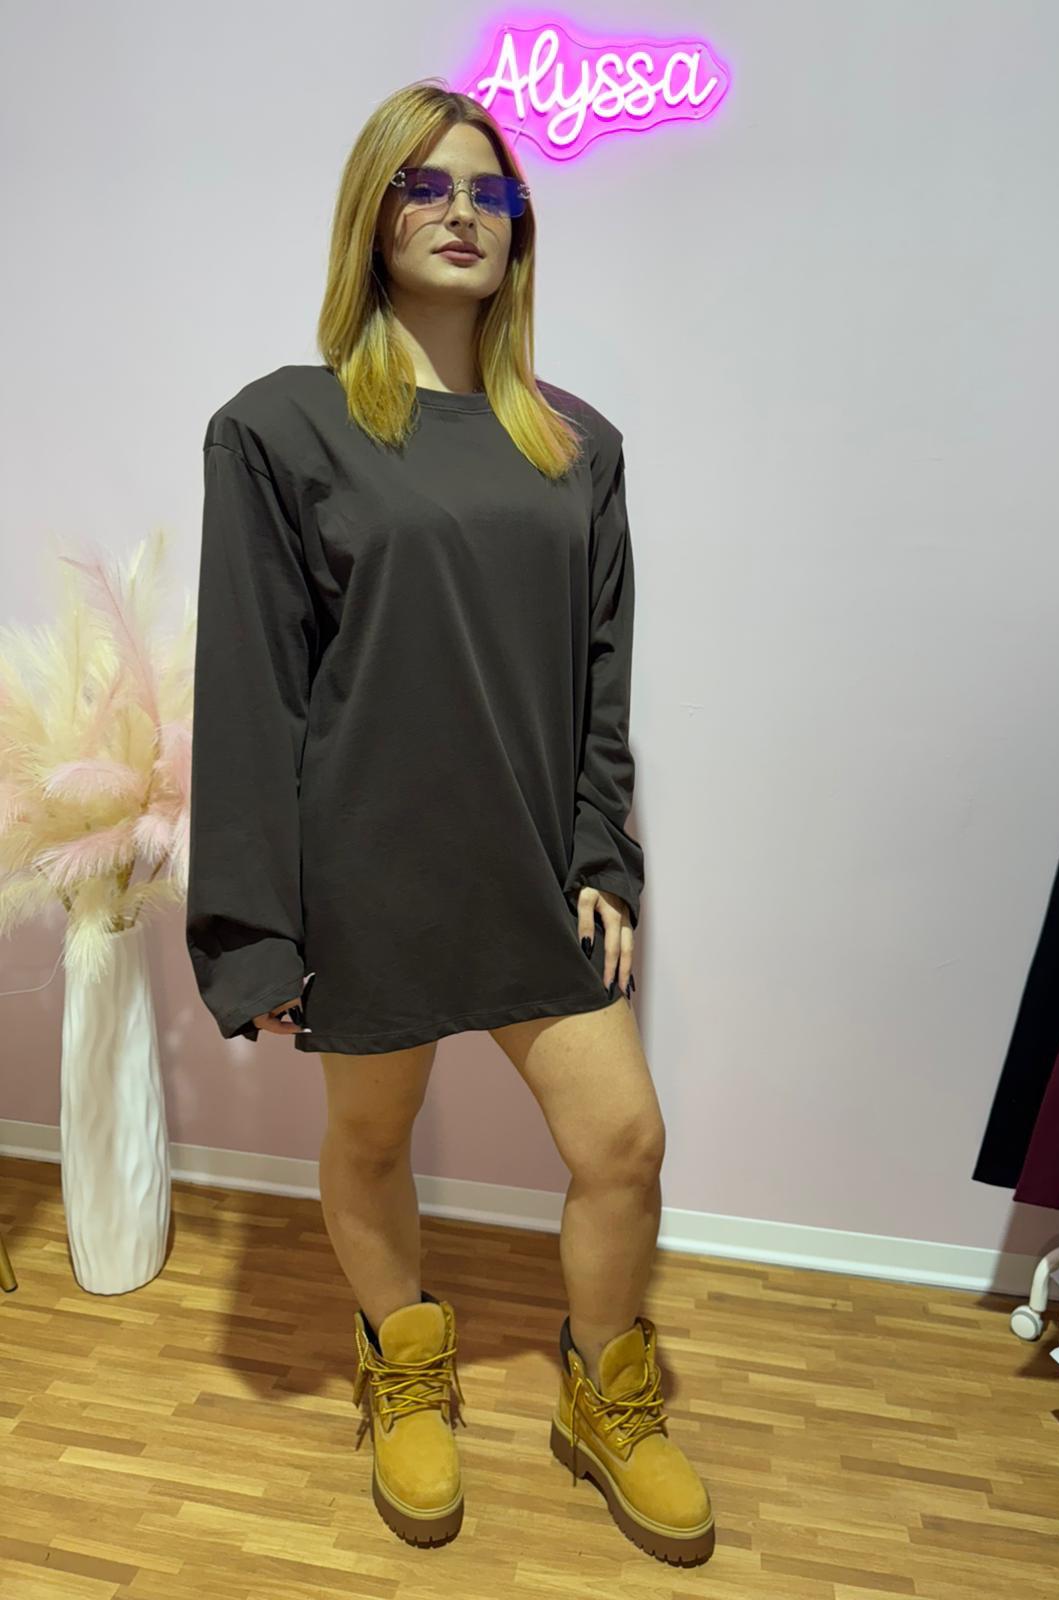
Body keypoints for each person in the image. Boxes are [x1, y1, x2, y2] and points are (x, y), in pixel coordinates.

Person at [184, 80, 715, 1565]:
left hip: (531, 867)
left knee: (623, 1141)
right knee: (370, 1136)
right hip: (366, 870)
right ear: (374, 214)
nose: (462, 211)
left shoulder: (578, 443)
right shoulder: (279, 427)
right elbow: (252, 691)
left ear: (520, 228)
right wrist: (255, 926)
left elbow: (602, 674)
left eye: (490, 189)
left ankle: (603, 1394)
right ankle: (403, 1367)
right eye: (426, 185)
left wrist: (603, 852)